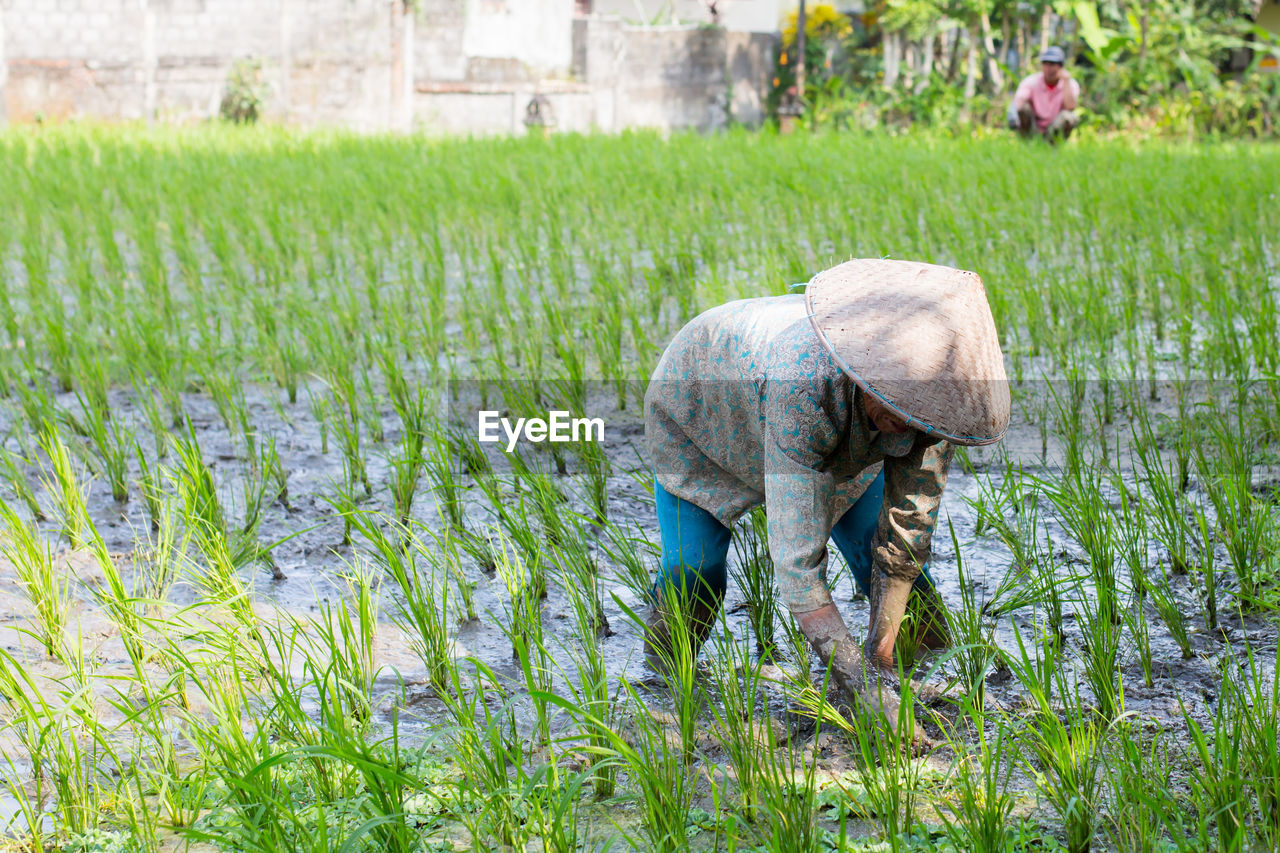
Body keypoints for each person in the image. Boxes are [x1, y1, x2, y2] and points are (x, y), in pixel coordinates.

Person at [642, 258, 1010, 735]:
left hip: (831, 433)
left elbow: (904, 542)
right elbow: (796, 566)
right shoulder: (806, 387)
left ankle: (926, 671)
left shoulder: (934, 406)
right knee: (694, 567)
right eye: (898, 412)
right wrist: (858, 683)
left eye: (917, 422)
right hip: (704, 415)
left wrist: (878, 671)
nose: (907, 432)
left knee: (886, 563)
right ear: (863, 377)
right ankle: (666, 684)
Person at [1008, 46, 1081, 142]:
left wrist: (1066, 81)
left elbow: (1070, 107)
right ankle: (1027, 143)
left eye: (1052, 64)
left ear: (1061, 67)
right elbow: (1020, 98)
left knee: (1069, 116)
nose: (1048, 68)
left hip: (1054, 129)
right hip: (1034, 128)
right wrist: (1012, 111)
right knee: (1022, 108)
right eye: (1045, 64)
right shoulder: (1031, 81)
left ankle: (1054, 146)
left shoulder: (1070, 84)